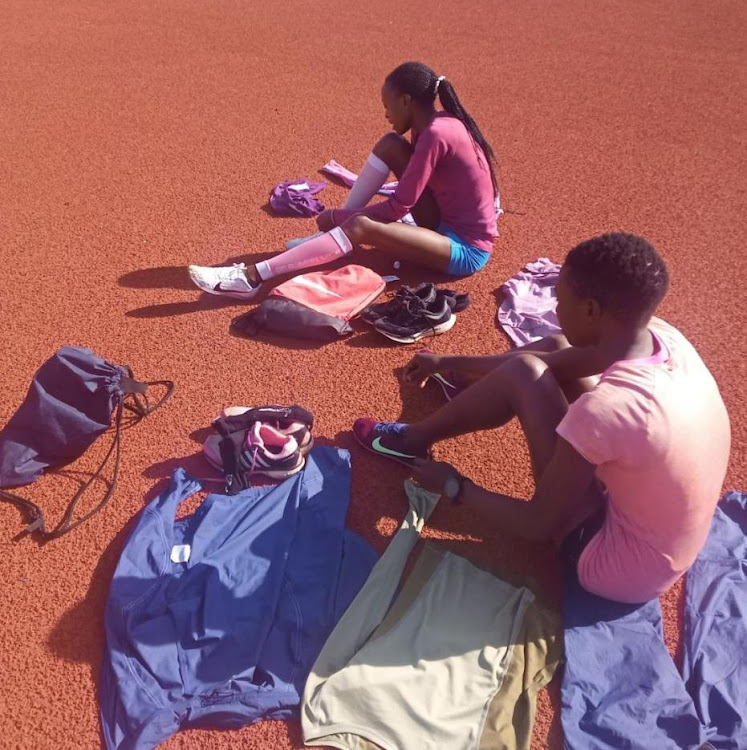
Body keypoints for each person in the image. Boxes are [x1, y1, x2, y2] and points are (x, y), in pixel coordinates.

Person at [353, 233, 731, 604]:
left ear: (590, 311)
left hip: (617, 569)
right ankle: (455, 392)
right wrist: (450, 363)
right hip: (666, 533)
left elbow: (539, 524)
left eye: (559, 298)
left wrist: (454, 485)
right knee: (552, 351)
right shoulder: (663, 340)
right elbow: (556, 358)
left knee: (524, 375)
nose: (553, 309)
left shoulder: (606, 409)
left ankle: (412, 441)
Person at [187, 61, 499, 301]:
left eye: (387, 105)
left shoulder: (434, 134)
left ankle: (251, 278)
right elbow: (413, 196)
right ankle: (339, 236)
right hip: (445, 222)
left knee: (359, 227)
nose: (386, 113)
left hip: (466, 249)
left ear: (406, 101)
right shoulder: (434, 123)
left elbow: (398, 207)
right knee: (389, 144)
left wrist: (340, 217)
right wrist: (341, 220)